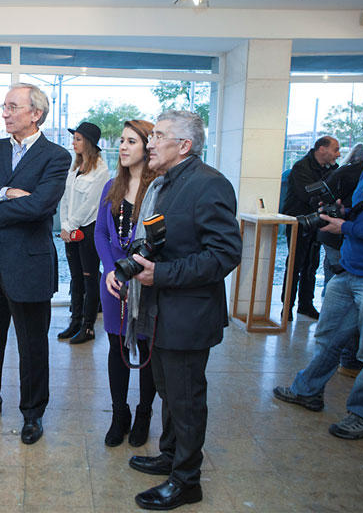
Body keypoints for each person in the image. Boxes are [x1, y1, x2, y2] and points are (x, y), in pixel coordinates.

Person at [123, 111, 242, 510]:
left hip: (188, 316)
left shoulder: (209, 184)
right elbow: (166, 236)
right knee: (169, 393)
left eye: (158, 136)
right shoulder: (169, 183)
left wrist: (163, 274)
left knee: (187, 399)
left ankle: (187, 480)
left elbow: (225, 254)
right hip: (162, 312)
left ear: (185, 145)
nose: (150, 143)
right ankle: (171, 457)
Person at [273, 103, 363, 440]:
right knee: (328, 336)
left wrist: (345, 228)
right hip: (349, 269)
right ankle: (308, 390)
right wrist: (343, 213)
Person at [0, 83, 71, 445]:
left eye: (12, 107)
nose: (4, 113)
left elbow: (41, 207)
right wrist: (7, 193)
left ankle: (32, 414)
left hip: (29, 266)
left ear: (35, 113)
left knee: (32, 346)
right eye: (3, 107)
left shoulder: (56, 156)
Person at [94, 120, 158, 447]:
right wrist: (110, 269)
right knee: (117, 348)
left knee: (146, 349)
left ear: (148, 147)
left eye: (131, 141)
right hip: (114, 284)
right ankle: (120, 414)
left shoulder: (159, 189)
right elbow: (101, 233)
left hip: (146, 282)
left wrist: (139, 272)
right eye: (121, 140)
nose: (122, 146)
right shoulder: (111, 187)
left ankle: (144, 412)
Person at [317, 143, 363, 378]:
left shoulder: (340, 172)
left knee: (334, 293)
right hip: (345, 243)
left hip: (335, 240)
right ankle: (349, 359)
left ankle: (330, 364)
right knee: (347, 304)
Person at [57, 121, 110, 344]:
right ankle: (75, 321)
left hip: (87, 229)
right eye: (74, 138)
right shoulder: (75, 166)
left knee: (89, 279)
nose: (74, 143)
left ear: (88, 142)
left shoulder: (101, 169)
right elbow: (66, 198)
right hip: (70, 229)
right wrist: (64, 225)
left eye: (78, 139)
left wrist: (72, 225)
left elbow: (91, 204)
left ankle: (88, 327)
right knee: (75, 278)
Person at [280, 135, 341, 320]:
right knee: (294, 265)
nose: (338, 154)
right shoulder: (301, 167)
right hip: (298, 222)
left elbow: (330, 194)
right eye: (335, 149)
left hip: (318, 222)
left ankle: (306, 305)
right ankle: (287, 307)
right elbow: (309, 195)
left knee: (312, 265)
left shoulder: (332, 170)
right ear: (322, 149)